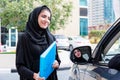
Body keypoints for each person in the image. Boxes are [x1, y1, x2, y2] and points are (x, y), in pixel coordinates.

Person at [16, 5, 61, 80]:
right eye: (43, 16)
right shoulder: (24, 38)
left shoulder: (51, 38)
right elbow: (19, 66)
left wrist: (57, 63)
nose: (46, 20)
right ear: (35, 17)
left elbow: (57, 59)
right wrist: (34, 76)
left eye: (49, 18)